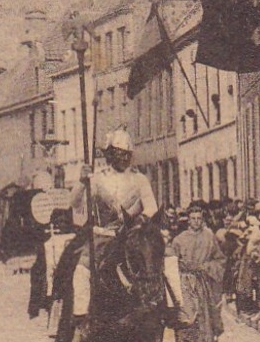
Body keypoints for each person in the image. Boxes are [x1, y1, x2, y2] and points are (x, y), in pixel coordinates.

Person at [72, 128, 188, 328]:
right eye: (118, 153)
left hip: (133, 233)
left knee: (168, 257)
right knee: (82, 269)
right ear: (110, 154)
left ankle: (175, 306)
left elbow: (151, 206)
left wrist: (139, 220)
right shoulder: (97, 179)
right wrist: (82, 182)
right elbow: (74, 203)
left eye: (126, 154)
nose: (122, 158)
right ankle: (81, 315)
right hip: (105, 234)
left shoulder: (139, 179)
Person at [170, 204, 226, 342]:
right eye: (193, 218)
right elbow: (171, 260)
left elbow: (220, 260)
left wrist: (206, 267)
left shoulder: (209, 238)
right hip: (185, 282)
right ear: (188, 220)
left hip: (202, 282)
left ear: (203, 220)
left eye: (199, 218)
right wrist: (179, 265)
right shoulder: (179, 239)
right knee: (187, 316)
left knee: (203, 317)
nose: (196, 222)